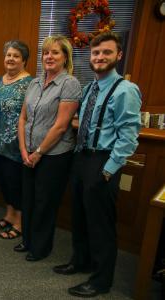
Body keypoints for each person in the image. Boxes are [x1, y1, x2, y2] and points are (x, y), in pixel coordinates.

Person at [53, 32, 141, 298]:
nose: (100, 57)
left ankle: (101, 280)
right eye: (96, 53)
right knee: (79, 216)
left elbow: (128, 136)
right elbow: (86, 121)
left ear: (118, 55)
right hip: (82, 157)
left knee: (101, 224)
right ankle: (80, 261)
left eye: (106, 52)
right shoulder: (90, 88)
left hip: (103, 162)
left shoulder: (126, 90)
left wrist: (108, 169)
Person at [15, 35, 81, 260]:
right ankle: (28, 240)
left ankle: (40, 248)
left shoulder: (69, 83)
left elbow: (62, 126)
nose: (49, 57)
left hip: (54, 155)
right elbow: (23, 118)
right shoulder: (34, 82)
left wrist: (39, 153)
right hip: (29, 152)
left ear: (65, 57)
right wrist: (24, 150)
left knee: (45, 202)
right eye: (45, 52)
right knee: (29, 199)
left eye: (55, 52)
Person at [0, 40, 33, 239]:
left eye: (16, 56)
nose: (10, 59)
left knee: (15, 183)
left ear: (24, 60)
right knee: (3, 181)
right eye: (8, 55)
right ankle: (9, 215)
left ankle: (20, 222)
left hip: (14, 144)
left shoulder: (30, 84)